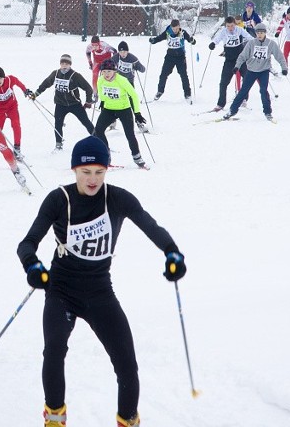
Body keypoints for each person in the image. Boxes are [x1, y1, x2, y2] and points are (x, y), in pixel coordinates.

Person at [16, 135, 186, 427]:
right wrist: (32, 266)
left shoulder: (118, 199)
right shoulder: (60, 199)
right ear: (74, 171)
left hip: (99, 291)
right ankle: (54, 418)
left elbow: (150, 225)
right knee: (54, 350)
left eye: (99, 172)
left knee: (127, 364)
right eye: (85, 172)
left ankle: (128, 420)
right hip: (61, 290)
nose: (92, 179)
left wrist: (172, 253)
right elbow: (27, 243)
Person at [28, 54, 95, 152]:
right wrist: (36, 94)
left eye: (66, 63)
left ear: (70, 64)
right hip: (60, 104)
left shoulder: (75, 76)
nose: (64, 65)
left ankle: (98, 140)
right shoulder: (55, 74)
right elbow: (46, 83)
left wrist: (88, 101)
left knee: (86, 122)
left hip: (74, 104)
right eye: (62, 63)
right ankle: (58, 144)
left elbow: (88, 88)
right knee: (57, 124)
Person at [222, 23, 287, 121]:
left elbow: (279, 56)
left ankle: (268, 112)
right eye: (258, 33)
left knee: (263, 91)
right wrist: (237, 66)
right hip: (251, 71)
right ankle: (232, 110)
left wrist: (284, 68)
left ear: (265, 33)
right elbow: (242, 56)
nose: (260, 35)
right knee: (243, 91)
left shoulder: (271, 44)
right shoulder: (251, 43)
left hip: (264, 71)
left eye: (262, 33)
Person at [93, 60, 148, 169]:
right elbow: (101, 92)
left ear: (114, 71)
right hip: (109, 109)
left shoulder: (122, 80)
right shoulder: (100, 80)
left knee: (129, 134)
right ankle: (106, 157)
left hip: (124, 110)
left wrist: (137, 113)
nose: (106, 74)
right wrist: (103, 102)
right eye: (104, 71)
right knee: (98, 131)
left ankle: (138, 159)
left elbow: (134, 96)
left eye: (109, 71)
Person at [0, 66, 30, 170]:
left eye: (0, 78)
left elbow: (18, 82)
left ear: (4, 77)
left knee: (16, 125)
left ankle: (17, 151)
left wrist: (25, 90)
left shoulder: (10, 79)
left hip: (12, 107)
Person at [208, 16, 255, 111]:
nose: (230, 28)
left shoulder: (239, 30)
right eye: (228, 26)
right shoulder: (223, 31)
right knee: (223, 83)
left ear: (235, 24)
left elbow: (249, 37)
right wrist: (213, 44)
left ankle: (244, 99)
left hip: (240, 59)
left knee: (246, 79)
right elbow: (217, 39)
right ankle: (220, 104)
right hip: (229, 60)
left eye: (232, 26)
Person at [149, 18, 197, 102]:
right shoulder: (168, 32)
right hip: (170, 57)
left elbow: (190, 40)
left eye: (176, 28)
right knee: (163, 74)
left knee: (183, 75)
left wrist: (192, 41)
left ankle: (187, 94)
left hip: (180, 57)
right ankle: (160, 91)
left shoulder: (183, 33)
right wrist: (153, 40)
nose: (175, 30)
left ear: (179, 26)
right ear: (171, 27)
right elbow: (159, 38)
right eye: (173, 29)